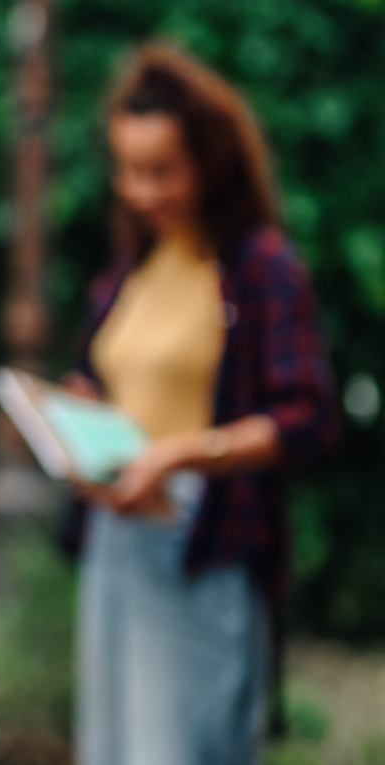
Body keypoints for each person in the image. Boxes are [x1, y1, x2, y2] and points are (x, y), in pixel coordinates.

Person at [66, 43, 338, 765]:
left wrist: (185, 451)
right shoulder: (134, 264)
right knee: (113, 748)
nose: (142, 190)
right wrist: (77, 412)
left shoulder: (260, 267)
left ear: (209, 161)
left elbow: (308, 416)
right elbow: (108, 378)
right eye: (128, 168)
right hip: (116, 538)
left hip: (203, 542)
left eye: (162, 169)